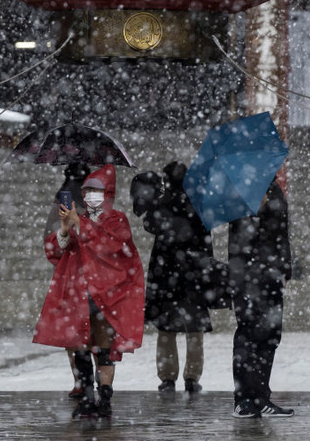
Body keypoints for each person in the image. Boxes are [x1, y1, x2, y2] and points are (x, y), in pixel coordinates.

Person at [34, 164, 145, 419]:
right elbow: (55, 250)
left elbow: (109, 245)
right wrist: (64, 229)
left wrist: (79, 225)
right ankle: (85, 395)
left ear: (108, 193)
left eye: (96, 190)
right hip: (78, 293)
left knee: (104, 347)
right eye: (87, 190)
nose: (90, 196)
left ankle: (104, 395)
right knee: (79, 345)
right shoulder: (78, 218)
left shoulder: (117, 219)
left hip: (107, 295)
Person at [133, 162, 213, 395]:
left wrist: (156, 199)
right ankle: (192, 376)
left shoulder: (162, 202)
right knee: (194, 329)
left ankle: (168, 377)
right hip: (193, 273)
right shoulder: (197, 202)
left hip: (165, 273)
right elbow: (206, 238)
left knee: (166, 329)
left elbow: (149, 225)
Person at [228, 179, 294, 418]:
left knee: (270, 336)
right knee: (248, 335)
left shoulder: (274, 189)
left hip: (272, 275)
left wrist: (285, 268)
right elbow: (239, 235)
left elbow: (281, 231)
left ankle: (261, 397)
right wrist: (252, 209)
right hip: (246, 276)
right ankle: (243, 399)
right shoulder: (240, 188)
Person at [43, 162, 94, 401]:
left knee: (73, 335)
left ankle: (79, 380)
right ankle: (93, 380)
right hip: (93, 276)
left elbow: (52, 240)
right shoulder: (96, 199)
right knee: (95, 334)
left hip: (70, 277)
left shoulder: (61, 200)